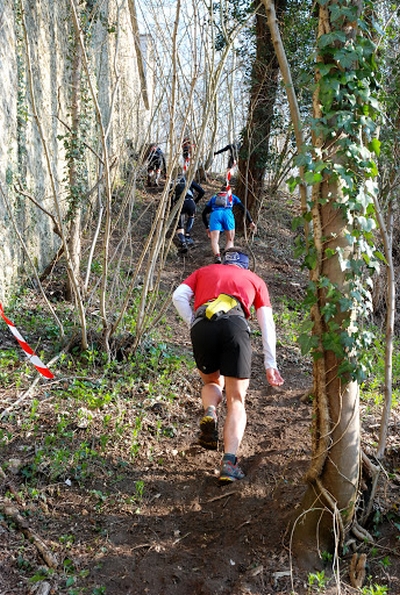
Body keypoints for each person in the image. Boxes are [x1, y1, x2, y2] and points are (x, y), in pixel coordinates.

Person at [172, 247, 284, 484]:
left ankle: (211, 411)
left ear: (223, 261)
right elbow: (267, 324)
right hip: (234, 324)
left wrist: (194, 322)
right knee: (236, 399)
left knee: (212, 381)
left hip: (203, 324)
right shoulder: (254, 279)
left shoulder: (204, 270)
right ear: (244, 265)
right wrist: (270, 363)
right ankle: (229, 464)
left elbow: (178, 296)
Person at [202, 187, 256, 263]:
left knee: (214, 240)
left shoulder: (214, 197)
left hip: (215, 215)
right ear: (229, 191)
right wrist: (250, 221)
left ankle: (217, 256)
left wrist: (207, 226)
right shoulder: (232, 197)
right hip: (227, 215)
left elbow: (204, 213)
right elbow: (244, 209)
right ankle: (227, 259)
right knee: (230, 240)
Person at [170, 175, 205, 253]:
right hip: (190, 201)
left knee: (180, 226)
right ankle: (188, 235)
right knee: (191, 216)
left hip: (179, 203)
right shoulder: (189, 180)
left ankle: (183, 242)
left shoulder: (173, 182)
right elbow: (202, 192)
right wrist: (195, 201)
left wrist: (171, 208)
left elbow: (170, 196)